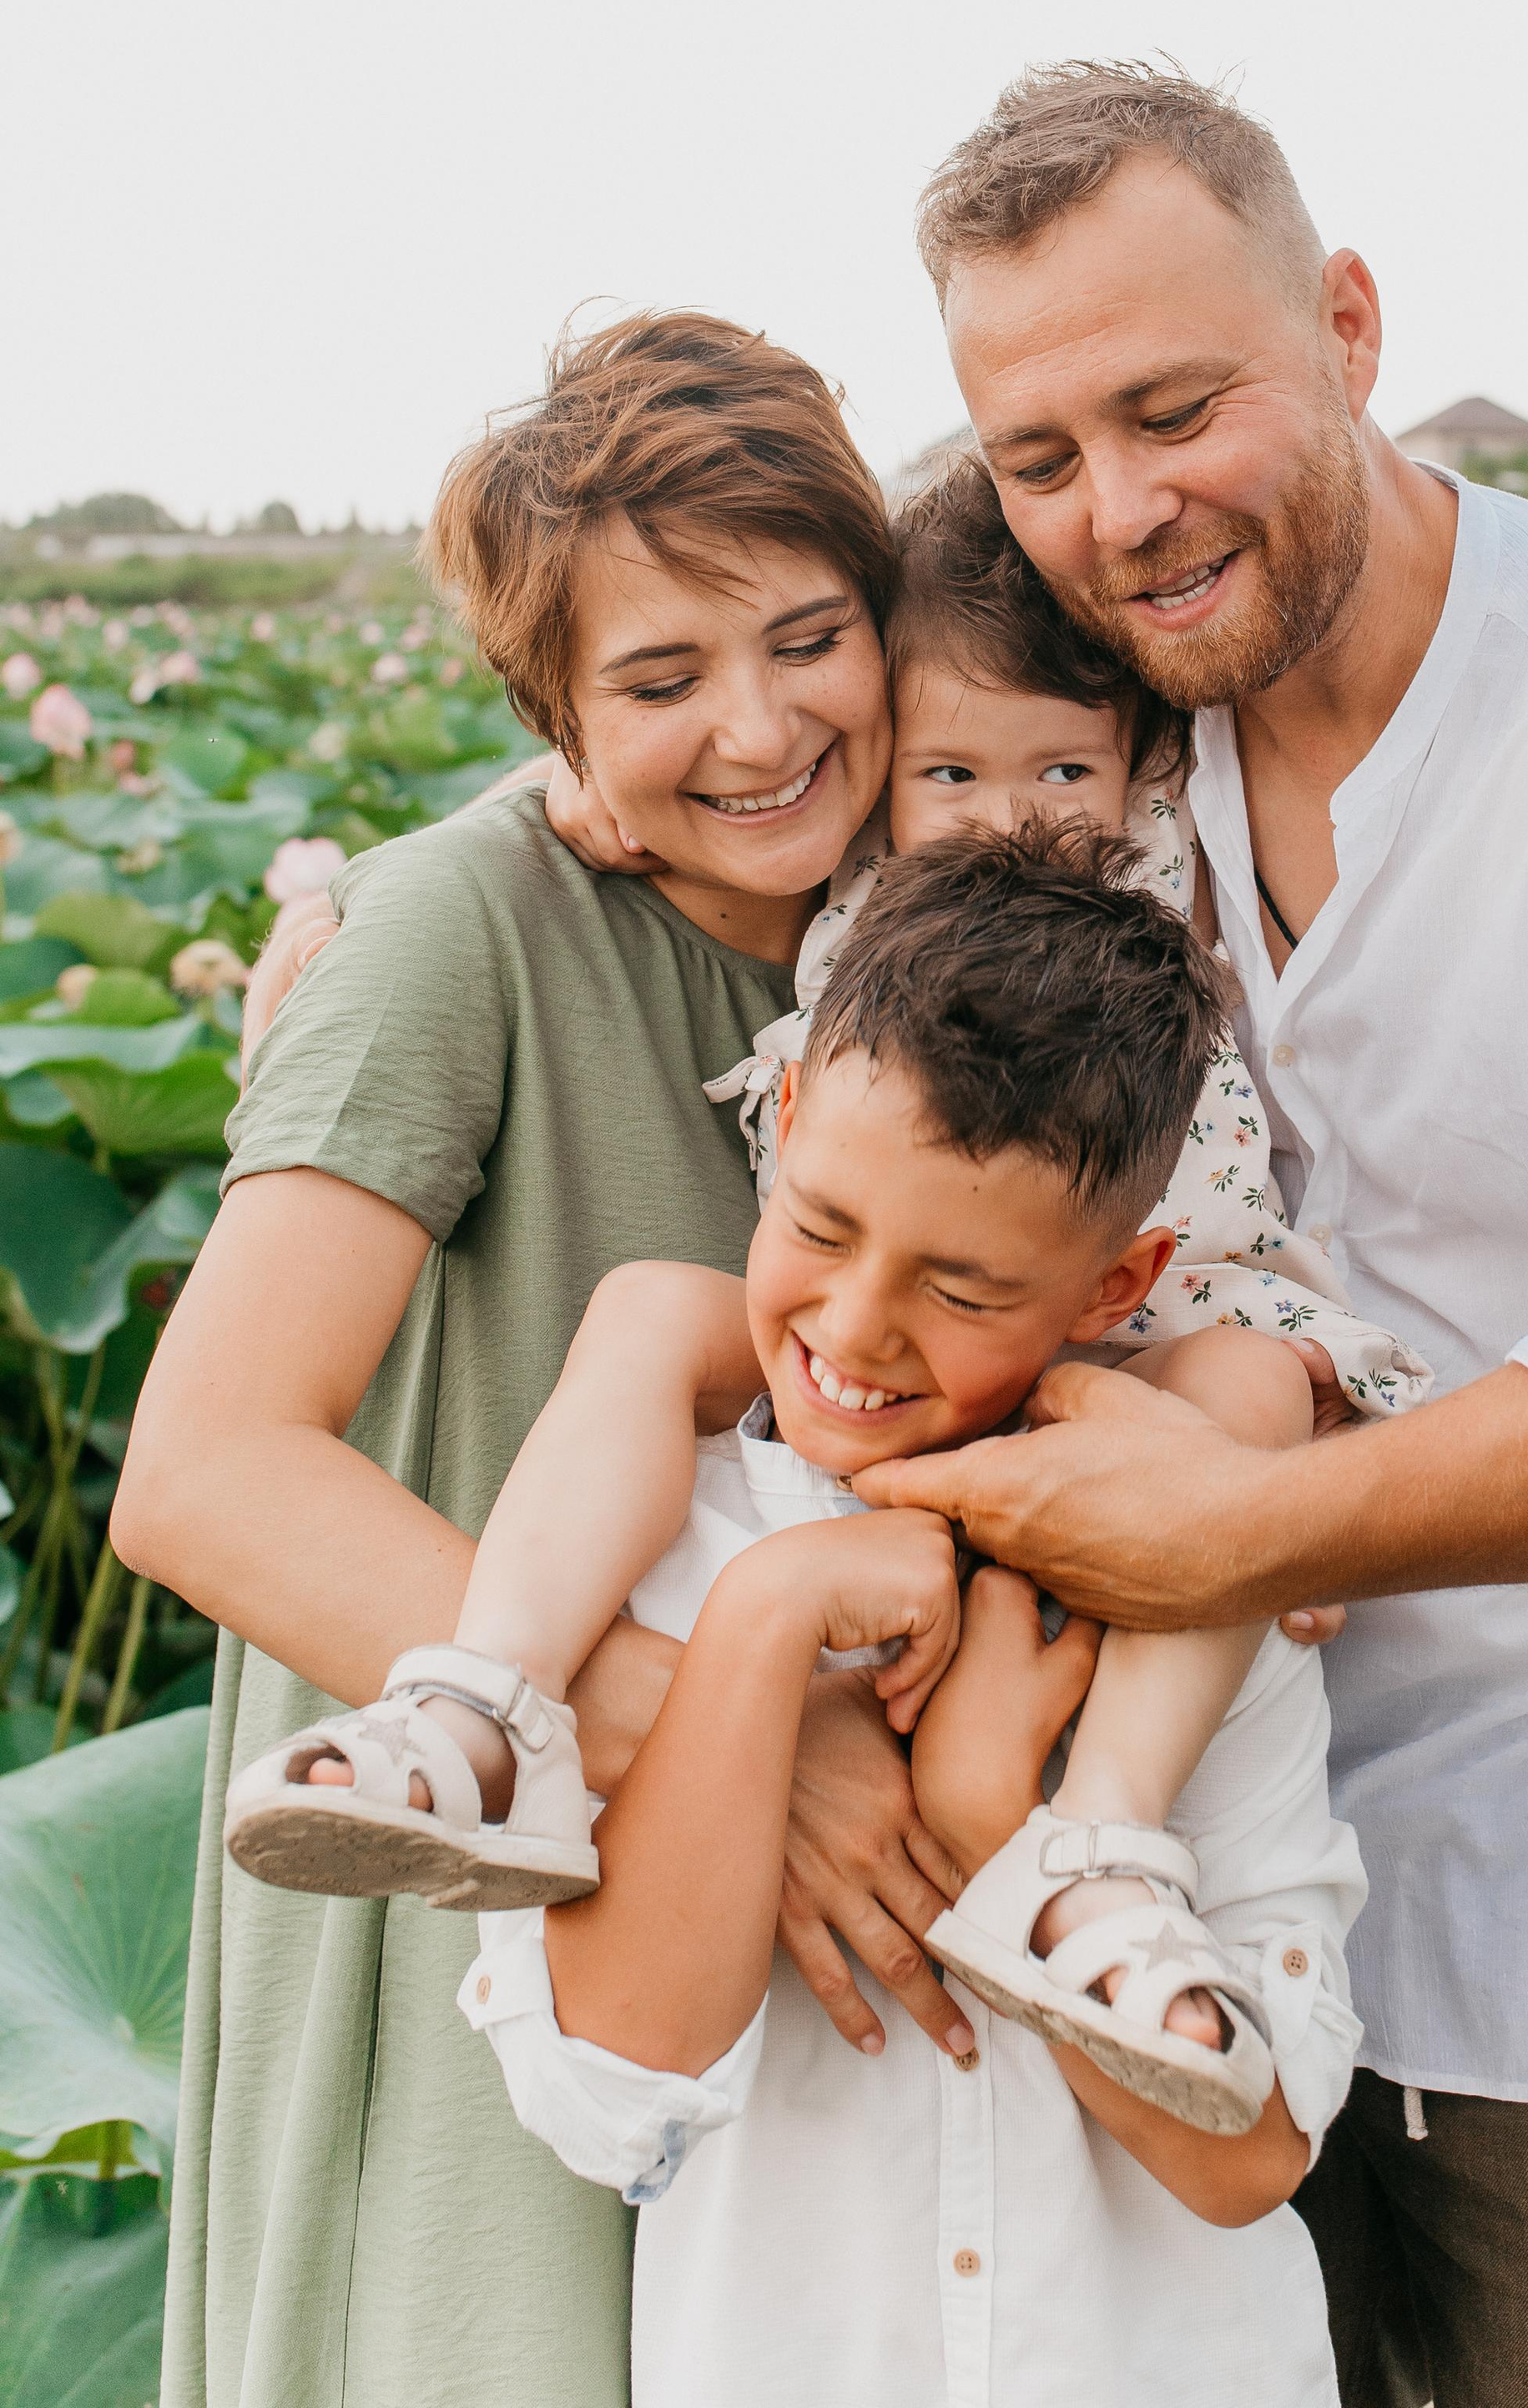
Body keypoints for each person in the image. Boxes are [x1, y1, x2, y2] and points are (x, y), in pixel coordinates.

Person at [837, 61, 1528, 2408]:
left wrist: (1242, 1530)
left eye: (1175, 409)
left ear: (1348, 326)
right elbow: (745, 720)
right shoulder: (1121, 721)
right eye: (1040, 459)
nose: (1120, 511)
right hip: (1216, 1869)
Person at [218, 458, 1424, 2141]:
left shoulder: (1153, 838)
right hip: (933, 1344)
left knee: (1235, 1425)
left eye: (1057, 771)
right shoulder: (859, 838)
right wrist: (399, 873)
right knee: (651, 1309)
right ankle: (480, 1700)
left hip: (1152, 1330)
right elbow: (696, 734)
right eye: (951, 771)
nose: (1006, 817)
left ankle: (1105, 1857)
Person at [112, 314, 966, 2408]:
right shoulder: (445, 927)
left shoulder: (935, 930)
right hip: (500, 1861)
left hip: (826, 1938)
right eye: (660, 682)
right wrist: (712, 1744)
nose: (758, 729)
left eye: (805, 639)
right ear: (555, 714)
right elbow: (202, 1473)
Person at [456, 825, 1368, 2408]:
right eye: (818, 1229)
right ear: (784, 1116)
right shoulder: (638, 1531)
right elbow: (611, 2083)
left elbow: (1251, 2162)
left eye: (962, 1291)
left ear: (1113, 1285)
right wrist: (765, 1613)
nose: (855, 1328)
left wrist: (982, 1815)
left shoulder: (1194, 1605)